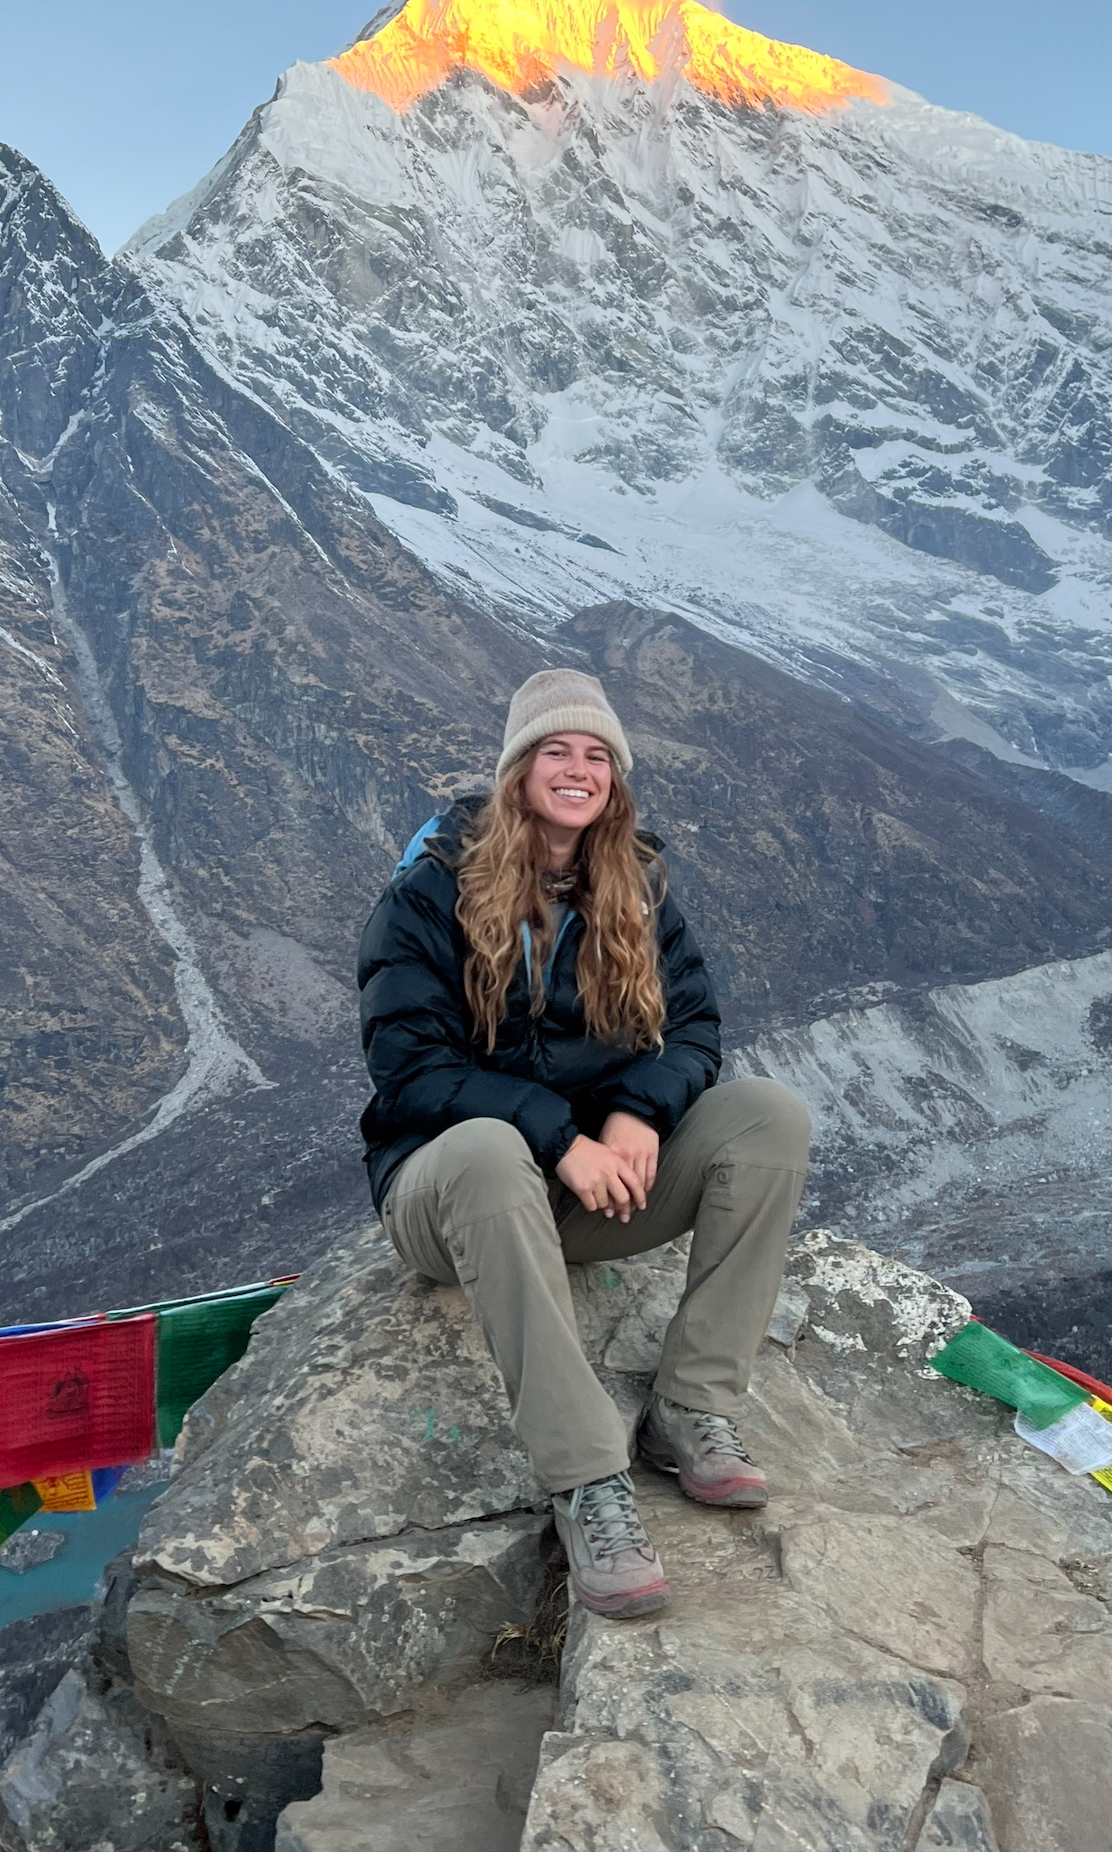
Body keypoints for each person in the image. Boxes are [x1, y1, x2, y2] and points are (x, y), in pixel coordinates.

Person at [358, 668, 812, 1620]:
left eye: (597, 755)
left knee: (770, 1116)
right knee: (486, 1146)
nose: (579, 769)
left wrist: (636, 1114)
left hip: (579, 1193)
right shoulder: (429, 891)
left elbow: (694, 1028)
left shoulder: (637, 888)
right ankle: (588, 1482)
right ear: (518, 768)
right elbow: (409, 1070)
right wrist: (558, 1135)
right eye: (557, 751)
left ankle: (691, 1407)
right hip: (452, 1196)